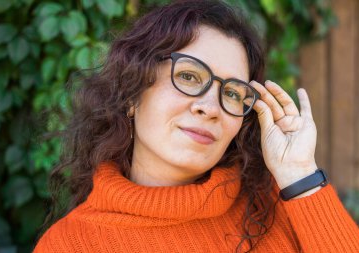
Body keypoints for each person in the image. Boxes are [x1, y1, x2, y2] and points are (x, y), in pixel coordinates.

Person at [33, 1, 359, 252]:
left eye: (232, 93)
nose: (211, 107)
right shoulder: (70, 244)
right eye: (189, 76)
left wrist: (299, 173)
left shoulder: (282, 203)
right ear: (132, 93)